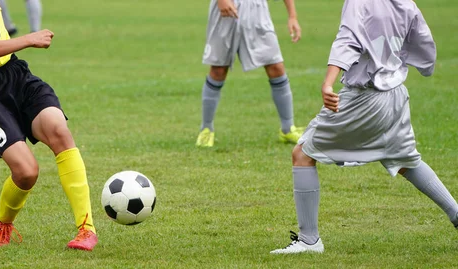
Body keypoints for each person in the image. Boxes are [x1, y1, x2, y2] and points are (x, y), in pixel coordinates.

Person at [270, 0, 458, 254]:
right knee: (405, 162)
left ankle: (309, 240)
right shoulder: (405, 2)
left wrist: (328, 83)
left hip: (365, 97)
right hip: (396, 95)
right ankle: (456, 214)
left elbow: (347, 40)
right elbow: (422, 41)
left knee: (303, 154)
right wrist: (419, 65)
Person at [0, 0, 97, 251]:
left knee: (59, 130)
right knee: (26, 172)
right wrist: (28, 39)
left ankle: (86, 229)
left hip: (17, 75)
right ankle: (2, 224)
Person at [196, 0, 304, 147]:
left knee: (276, 67)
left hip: (257, 9)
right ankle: (206, 129)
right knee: (218, 70)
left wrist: (292, 16)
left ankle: (287, 128)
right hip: (226, 8)